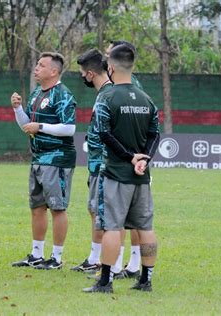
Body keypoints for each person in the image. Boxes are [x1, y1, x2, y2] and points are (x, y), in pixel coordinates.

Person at [83, 44, 160, 294]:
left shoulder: (107, 96)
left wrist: (129, 157)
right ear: (133, 66)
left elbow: (104, 134)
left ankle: (105, 281)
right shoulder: (147, 99)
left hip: (116, 174)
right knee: (145, 228)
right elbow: (154, 134)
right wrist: (144, 159)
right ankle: (146, 279)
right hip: (142, 176)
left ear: (111, 67)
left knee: (112, 227)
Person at [11, 52, 77, 270]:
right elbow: (26, 125)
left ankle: (56, 258)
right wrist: (18, 109)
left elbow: (69, 129)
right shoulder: (37, 93)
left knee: (57, 208)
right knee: (37, 207)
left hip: (57, 159)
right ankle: (37, 254)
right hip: (38, 158)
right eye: (37, 64)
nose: (36, 68)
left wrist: (40, 127)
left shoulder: (63, 95)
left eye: (41, 65)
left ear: (54, 71)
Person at [102, 39, 144, 278]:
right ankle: (125, 264)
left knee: (127, 218)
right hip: (134, 159)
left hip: (125, 161)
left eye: (109, 54)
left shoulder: (126, 85)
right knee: (130, 217)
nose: (106, 58)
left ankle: (131, 264)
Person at [71, 49, 112, 274]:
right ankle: (95, 257)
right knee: (94, 210)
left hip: (104, 164)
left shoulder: (108, 95)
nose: (82, 77)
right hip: (97, 164)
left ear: (89, 74)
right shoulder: (103, 94)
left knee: (102, 212)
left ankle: (105, 262)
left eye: (81, 73)